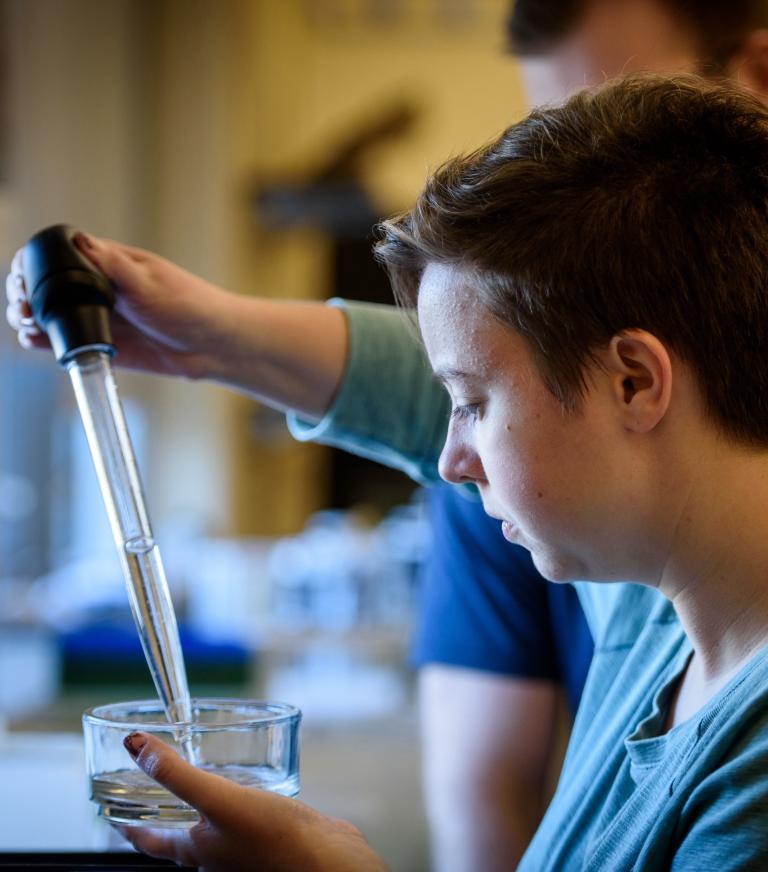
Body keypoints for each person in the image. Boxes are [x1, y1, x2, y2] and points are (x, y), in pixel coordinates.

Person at [8, 3, 768, 870]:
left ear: (636, 381)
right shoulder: (661, 609)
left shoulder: (750, 764)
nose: (448, 458)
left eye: (471, 405)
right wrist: (204, 333)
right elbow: (511, 385)